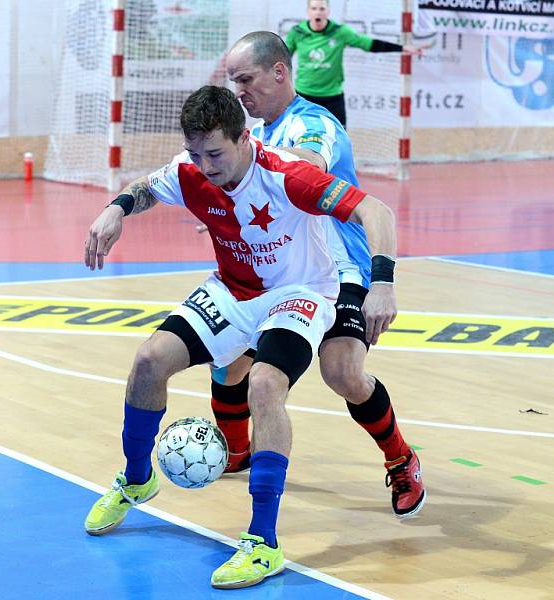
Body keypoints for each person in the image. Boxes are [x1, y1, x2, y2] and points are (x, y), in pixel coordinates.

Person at [82, 85, 399, 590]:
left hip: (300, 292)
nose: (205, 166)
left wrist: (381, 281)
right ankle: (137, 479)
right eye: (195, 153)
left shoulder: (287, 176)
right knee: (149, 360)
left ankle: (262, 543)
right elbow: (148, 185)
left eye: (215, 154)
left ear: (243, 139)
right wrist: (116, 208)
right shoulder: (191, 171)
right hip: (233, 291)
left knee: (266, 386)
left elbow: (376, 211)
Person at [212, 31, 425, 520]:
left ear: (279, 72)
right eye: (232, 82)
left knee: (342, 372)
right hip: (276, 272)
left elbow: (304, 170)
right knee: (227, 360)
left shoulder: (315, 127)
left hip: (338, 270)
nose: (239, 92)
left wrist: (383, 282)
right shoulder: (253, 134)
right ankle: (238, 450)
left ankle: (401, 458)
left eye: (245, 79)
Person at [286, 0, 423, 128]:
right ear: (308, 12)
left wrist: (403, 48)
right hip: (304, 95)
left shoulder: (340, 31)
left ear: (328, 12)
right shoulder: (297, 32)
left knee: (340, 140)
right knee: (299, 135)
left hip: (333, 97)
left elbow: (367, 44)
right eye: (314, 8)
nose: (318, 12)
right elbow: (283, 59)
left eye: (322, 8)